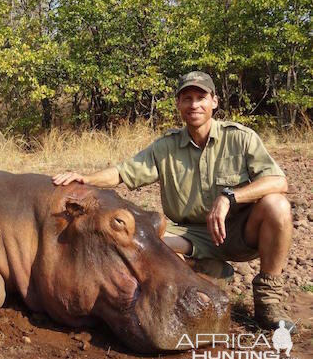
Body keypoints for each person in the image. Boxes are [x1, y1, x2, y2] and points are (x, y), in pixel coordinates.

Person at [52, 71, 295, 332]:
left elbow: (278, 182)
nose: (194, 105)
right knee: (140, 247)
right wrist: (85, 178)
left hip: (237, 230)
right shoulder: (166, 146)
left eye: (201, 97)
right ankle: (207, 273)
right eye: (187, 98)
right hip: (190, 235)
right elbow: (123, 173)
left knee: (277, 206)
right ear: (178, 104)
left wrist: (229, 197)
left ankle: (268, 300)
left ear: (214, 101)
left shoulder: (240, 137)